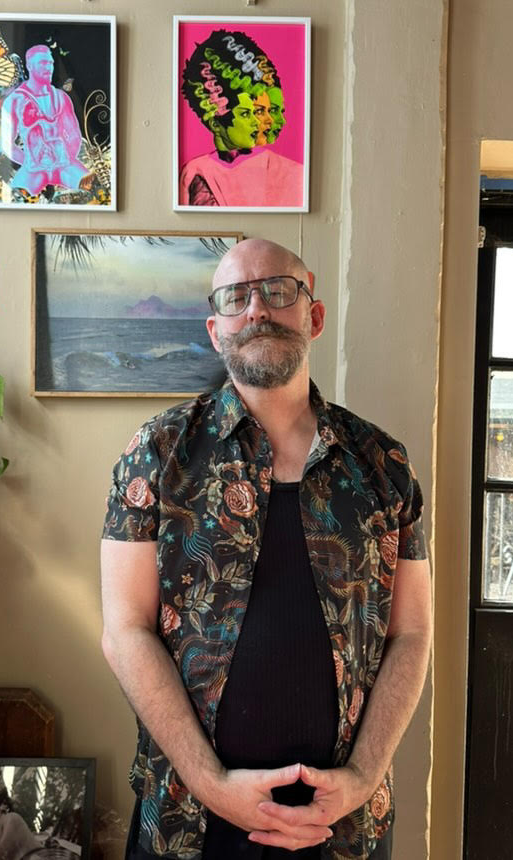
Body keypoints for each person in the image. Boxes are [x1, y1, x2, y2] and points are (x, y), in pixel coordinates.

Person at [101, 238, 432, 859]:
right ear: (215, 330)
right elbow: (124, 631)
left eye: (278, 290)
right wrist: (212, 784)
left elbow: (411, 634)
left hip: (343, 823)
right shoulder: (156, 454)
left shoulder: (384, 465)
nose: (257, 308)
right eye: (236, 297)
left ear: (314, 315)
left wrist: (363, 778)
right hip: (189, 819)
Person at [178, 31, 303, 207]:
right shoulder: (196, 171)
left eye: (256, 112)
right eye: (246, 114)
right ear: (215, 124)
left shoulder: (290, 171)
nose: (257, 122)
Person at [0, 44, 90, 197]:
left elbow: (74, 135)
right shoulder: (15, 100)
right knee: (18, 198)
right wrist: (28, 161)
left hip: (64, 165)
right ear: (29, 65)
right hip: (33, 170)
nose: (48, 67)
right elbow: (6, 144)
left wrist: (64, 159)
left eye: (51, 63)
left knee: (93, 189)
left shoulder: (61, 97)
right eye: (43, 63)